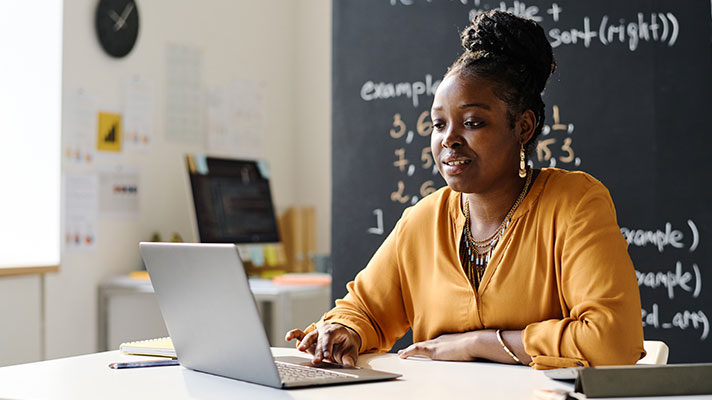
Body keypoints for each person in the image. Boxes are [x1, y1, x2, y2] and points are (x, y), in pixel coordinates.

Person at [286, 10, 645, 369]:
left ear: (523, 127)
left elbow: (613, 341)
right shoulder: (424, 220)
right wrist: (344, 330)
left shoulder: (575, 204)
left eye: (472, 122)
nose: (449, 140)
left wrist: (477, 344)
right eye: (438, 124)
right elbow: (363, 309)